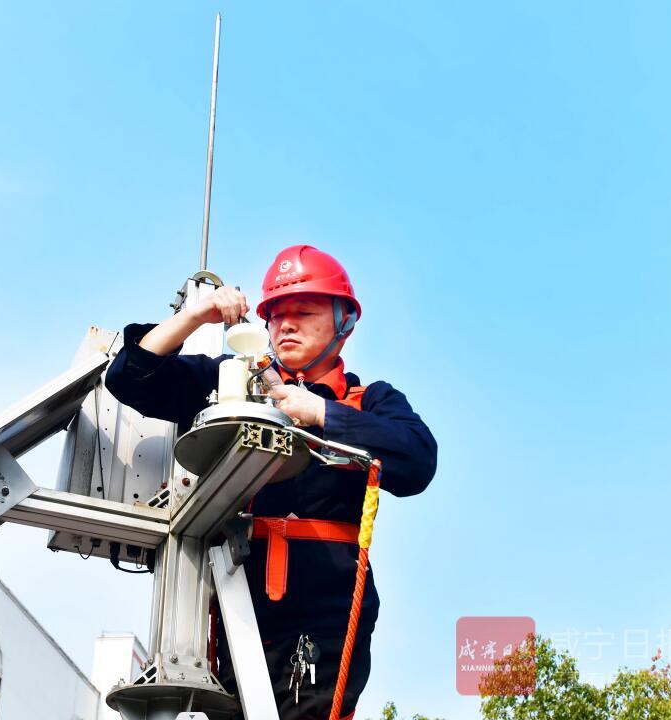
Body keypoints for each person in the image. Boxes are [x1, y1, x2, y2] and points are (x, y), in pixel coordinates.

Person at [105, 245, 437, 720]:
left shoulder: (366, 402)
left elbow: (418, 460)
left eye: (303, 311)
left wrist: (320, 413)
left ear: (344, 323)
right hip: (237, 599)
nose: (286, 325)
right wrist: (196, 316)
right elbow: (129, 377)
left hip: (324, 612)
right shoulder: (231, 384)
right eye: (275, 315)